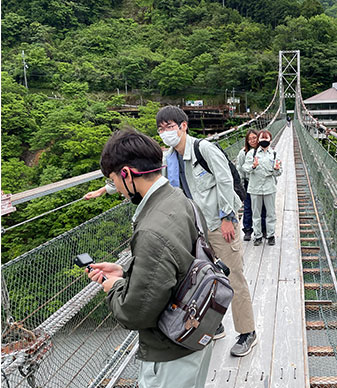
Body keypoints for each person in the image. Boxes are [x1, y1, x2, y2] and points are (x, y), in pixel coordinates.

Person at [86, 129, 212, 388]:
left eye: (113, 181)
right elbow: (177, 263)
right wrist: (126, 270)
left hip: (170, 352)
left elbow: (136, 313)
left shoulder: (151, 229)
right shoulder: (180, 199)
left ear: (126, 174)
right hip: (195, 331)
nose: (117, 189)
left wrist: (114, 287)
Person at [156, 106, 257, 358]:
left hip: (219, 224)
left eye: (170, 127)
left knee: (233, 278)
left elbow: (224, 181)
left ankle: (248, 332)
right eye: (161, 128)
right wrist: (109, 187)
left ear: (183, 126)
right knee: (201, 280)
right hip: (194, 229)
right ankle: (215, 326)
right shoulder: (170, 158)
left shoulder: (204, 149)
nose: (166, 132)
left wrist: (227, 217)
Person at [243, 130, 282, 246]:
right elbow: (245, 168)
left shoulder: (274, 154)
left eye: (266, 139)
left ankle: (270, 235)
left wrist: (276, 169)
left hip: (269, 188)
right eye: (262, 139)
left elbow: (279, 172)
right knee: (256, 214)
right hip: (255, 188)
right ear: (259, 140)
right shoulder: (252, 153)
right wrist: (253, 166)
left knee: (271, 213)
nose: (264, 141)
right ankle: (258, 236)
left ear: (270, 140)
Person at [236, 129, 267, 242]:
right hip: (249, 183)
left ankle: (263, 229)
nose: (252, 141)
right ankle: (248, 230)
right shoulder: (243, 153)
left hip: (262, 182)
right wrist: (241, 186)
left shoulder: (265, 150)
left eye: (254, 138)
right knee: (248, 207)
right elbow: (240, 169)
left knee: (263, 206)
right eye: (249, 139)